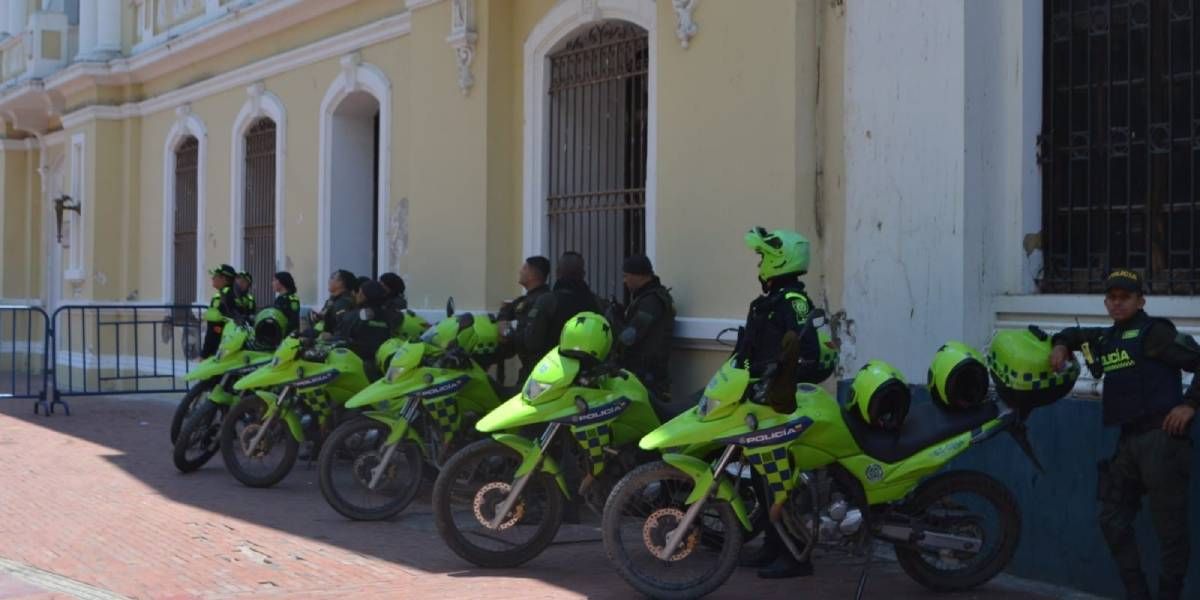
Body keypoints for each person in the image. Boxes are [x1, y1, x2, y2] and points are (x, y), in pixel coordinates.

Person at [1049, 270, 1198, 600]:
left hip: (1162, 441)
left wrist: (1190, 404)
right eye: (1112, 298)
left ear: (1140, 301)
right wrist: (1060, 345)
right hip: (1128, 443)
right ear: (1106, 302)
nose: (1117, 303)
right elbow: (1073, 334)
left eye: (1125, 297)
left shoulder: (1155, 332)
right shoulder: (1106, 339)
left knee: (1170, 532)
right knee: (1112, 519)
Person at [735, 226, 823, 580]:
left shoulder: (793, 303)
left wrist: (781, 378)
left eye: (763, 257)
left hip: (781, 405)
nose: (759, 263)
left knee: (779, 481)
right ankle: (774, 545)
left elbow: (808, 353)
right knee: (762, 480)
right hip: (759, 403)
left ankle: (795, 556)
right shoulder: (767, 302)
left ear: (777, 259)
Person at [615, 255, 676, 400]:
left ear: (638, 276)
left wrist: (615, 325)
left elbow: (631, 336)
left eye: (626, 276)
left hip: (649, 378)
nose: (624, 281)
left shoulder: (651, 301)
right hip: (645, 375)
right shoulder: (646, 297)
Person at [498, 256, 554, 383]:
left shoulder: (544, 301)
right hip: (527, 368)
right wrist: (502, 321)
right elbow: (506, 311)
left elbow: (532, 339)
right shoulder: (525, 300)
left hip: (540, 371)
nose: (520, 271)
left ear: (532, 274)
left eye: (524, 268)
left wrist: (508, 334)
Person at [334, 280, 397, 381]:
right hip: (383, 366)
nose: (356, 295)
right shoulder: (390, 317)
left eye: (359, 292)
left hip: (357, 366)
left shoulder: (353, 316)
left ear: (364, 295)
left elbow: (340, 338)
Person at [546, 251, 600, 343]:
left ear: (557, 272)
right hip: (587, 356)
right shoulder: (596, 302)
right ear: (583, 274)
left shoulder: (547, 301)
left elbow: (533, 342)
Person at [200, 264, 240, 359]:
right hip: (221, 347)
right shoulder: (226, 294)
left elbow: (214, 331)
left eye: (216, 276)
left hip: (219, 349)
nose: (212, 278)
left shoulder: (226, 296)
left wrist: (204, 354)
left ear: (225, 279)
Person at [310, 270, 357, 334]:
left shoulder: (343, 303)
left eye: (332, 278)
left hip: (333, 342)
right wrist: (318, 317)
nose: (329, 281)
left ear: (340, 283)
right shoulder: (332, 300)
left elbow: (343, 329)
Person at [272, 271, 301, 336]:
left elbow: (294, 320)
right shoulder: (279, 298)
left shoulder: (292, 299)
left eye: (274, 280)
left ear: (282, 282)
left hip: (288, 337)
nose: (272, 283)